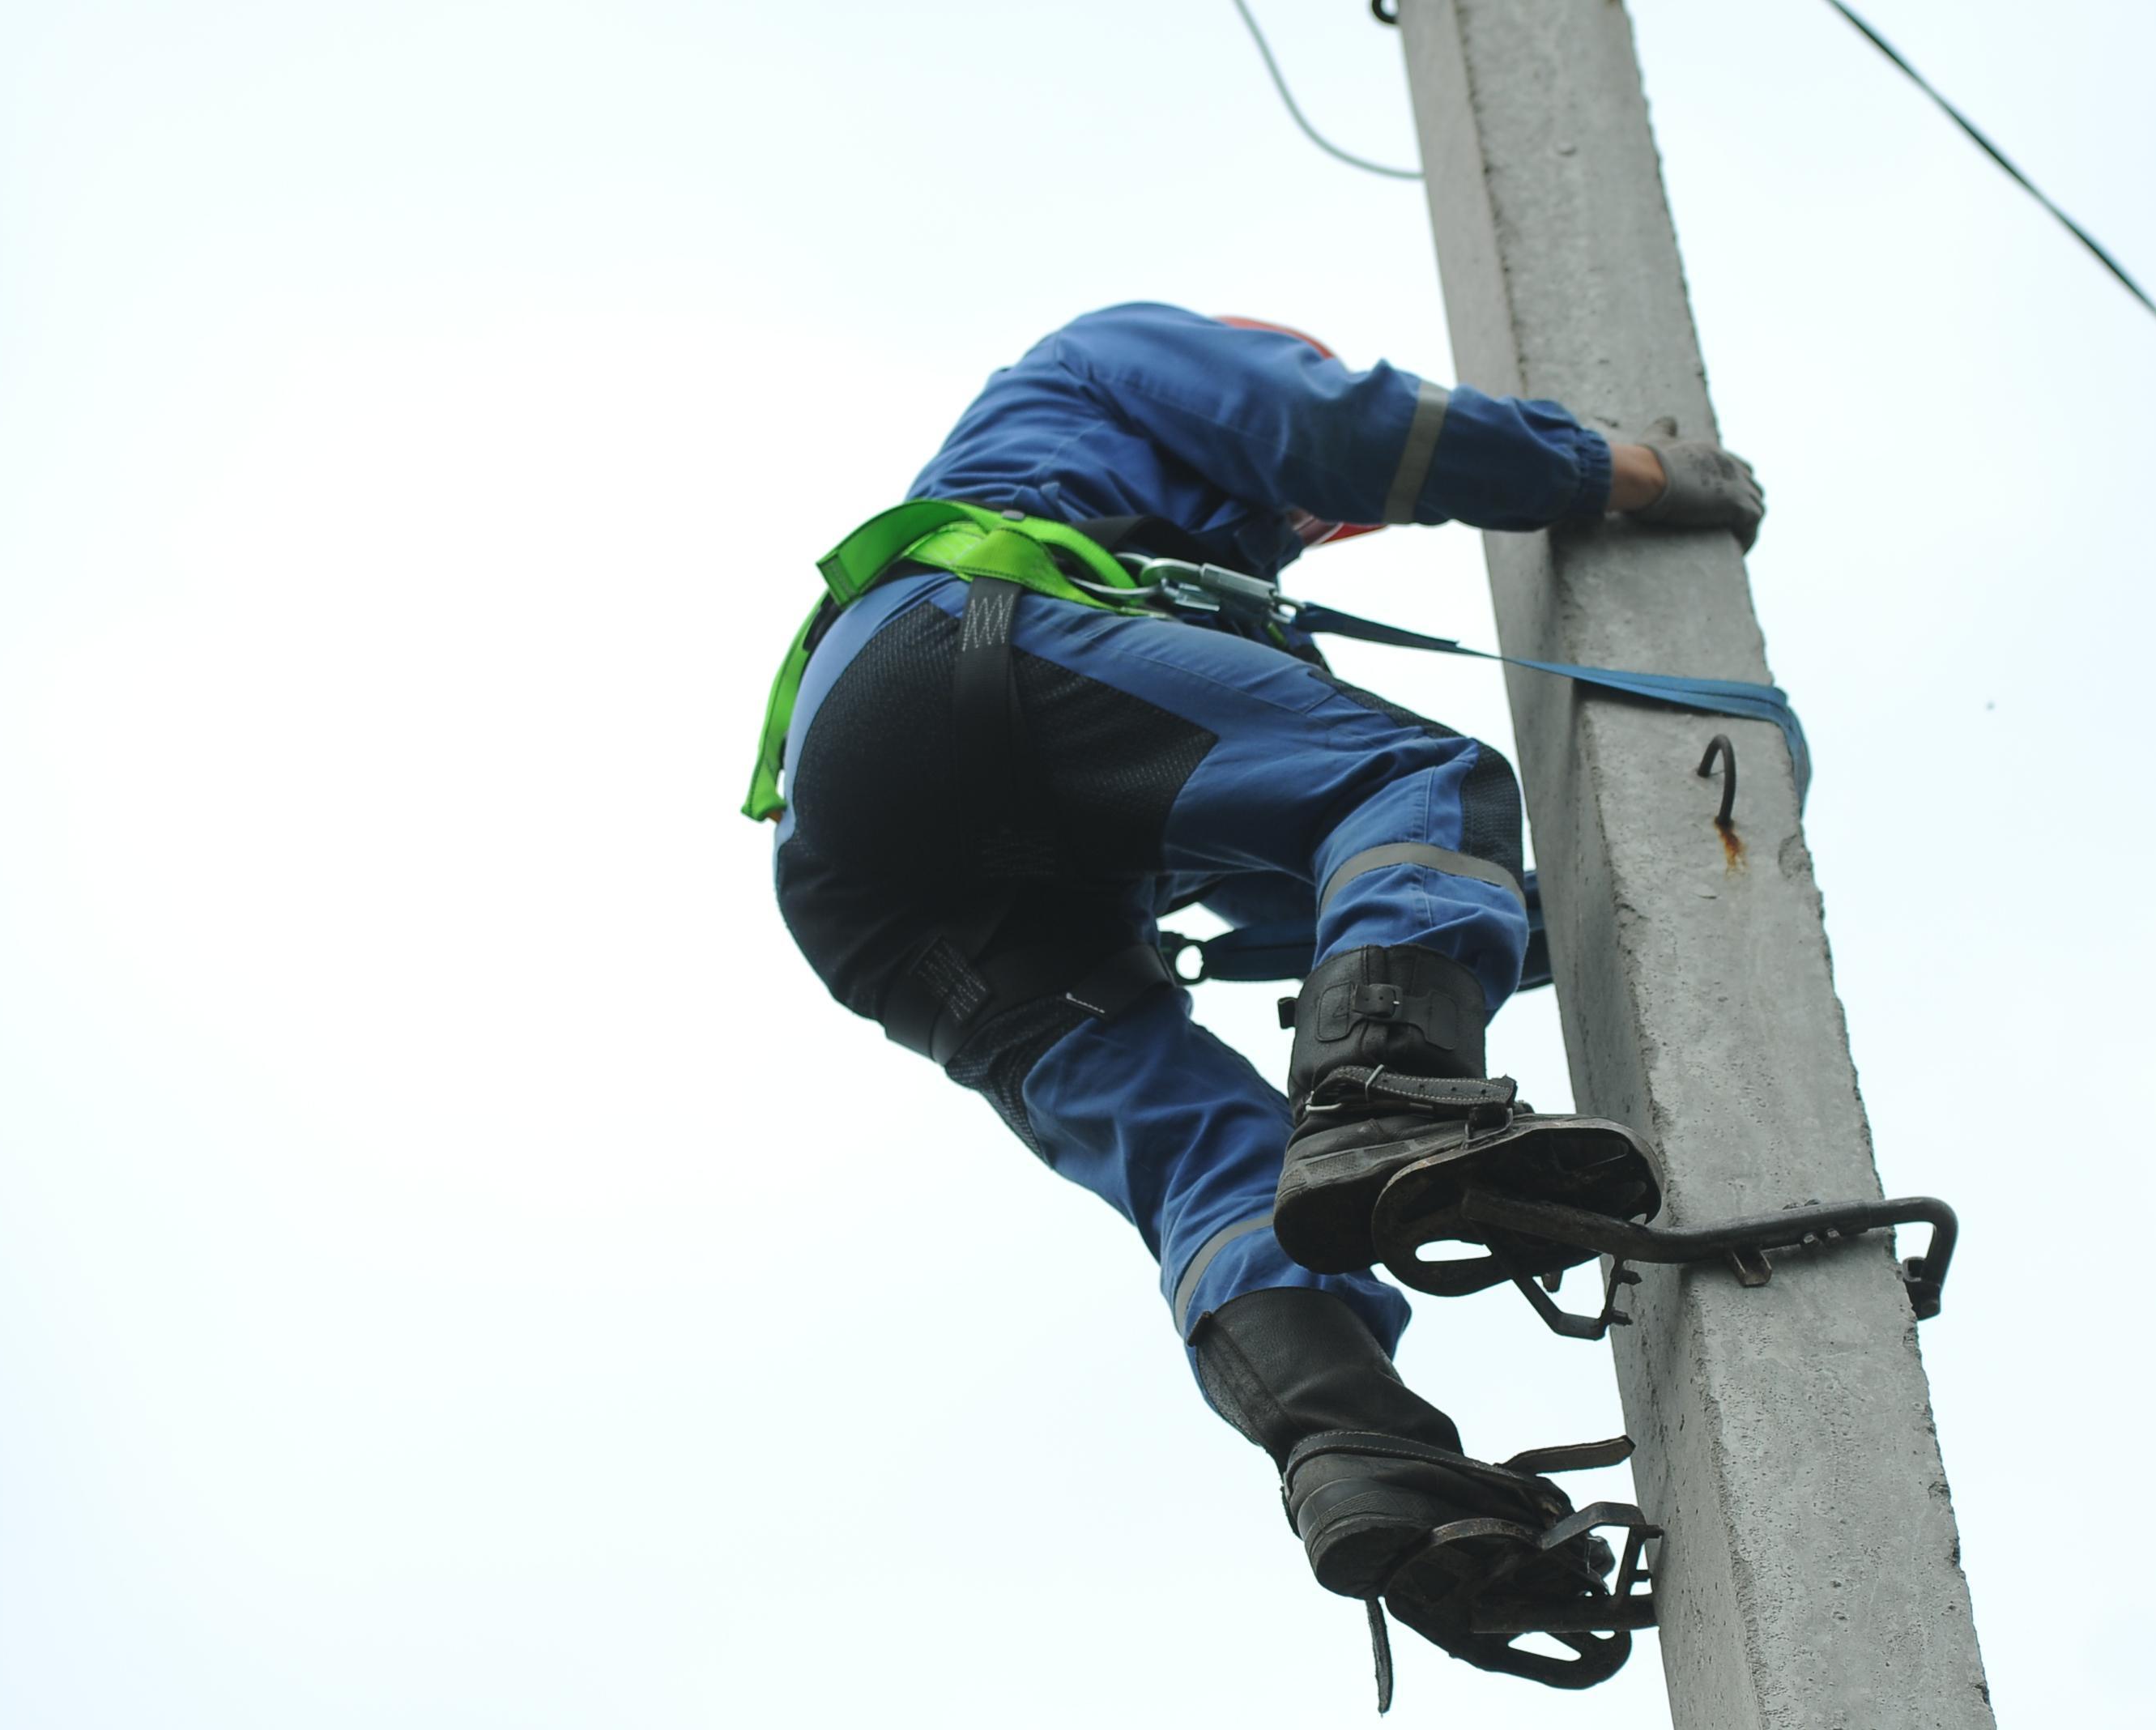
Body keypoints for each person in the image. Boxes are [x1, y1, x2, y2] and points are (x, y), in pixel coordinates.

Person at [746, 302, 1763, 1691]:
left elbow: (1312, 899)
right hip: (961, 647)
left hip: (874, 875)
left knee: (1207, 1160)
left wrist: (1591, 923)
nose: (1296, 523)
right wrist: (1625, 476)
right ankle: (1387, 1105)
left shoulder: (1166, 599)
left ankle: (1365, 1462)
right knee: (1418, 782)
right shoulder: (1114, 363)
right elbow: (1340, 428)